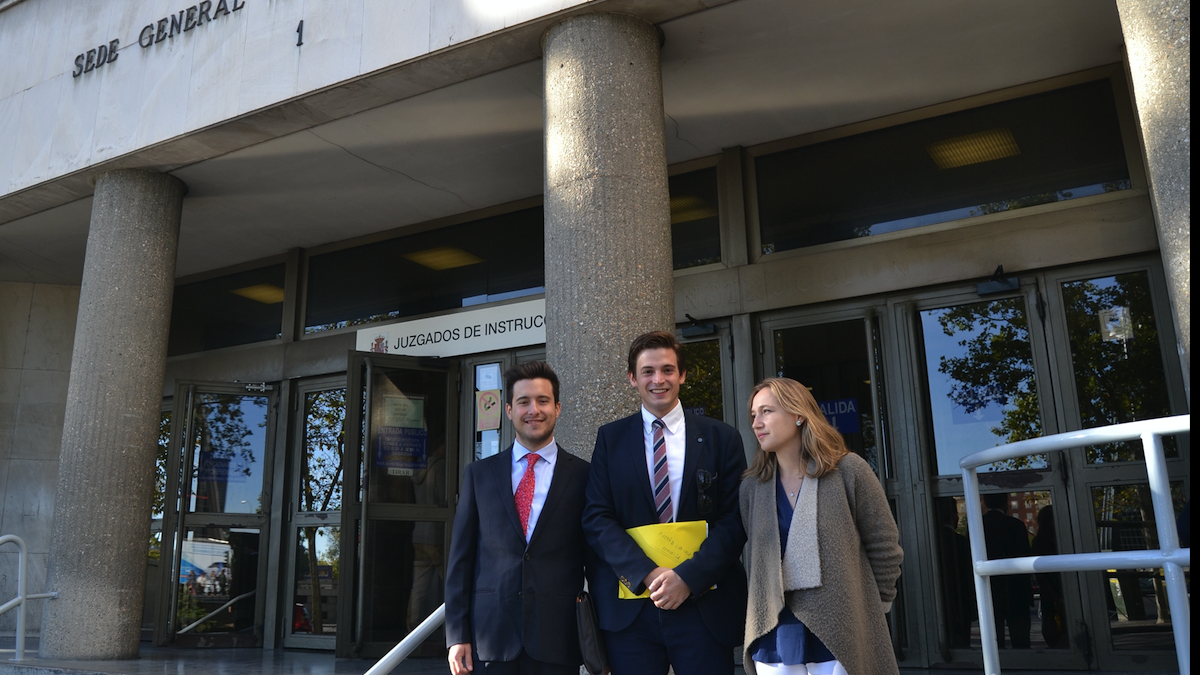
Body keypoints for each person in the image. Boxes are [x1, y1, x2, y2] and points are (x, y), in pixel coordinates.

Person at [584, 331, 748, 675]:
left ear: (682, 375)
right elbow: (597, 518)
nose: (658, 380)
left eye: (668, 370)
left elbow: (735, 520)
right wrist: (649, 573)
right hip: (632, 611)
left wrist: (688, 578)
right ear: (633, 378)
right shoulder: (610, 440)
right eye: (648, 371)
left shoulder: (722, 438)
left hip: (704, 604)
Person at [740, 377, 902, 675]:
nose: (756, 423)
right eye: (753, 415)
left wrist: (870, 609)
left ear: (798, 414)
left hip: (841, 629)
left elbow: (884, 546)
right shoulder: (753, 487)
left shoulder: (848, 470)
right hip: (774, 635)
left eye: (766, 412)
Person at [445, 361, 590, 675]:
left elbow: (596, 559)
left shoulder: (583, 475)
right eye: (523, 402)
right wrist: (457, 634)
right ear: (509, 410)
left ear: (558, 408)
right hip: (490, 639)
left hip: (557, 639)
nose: (533, 410)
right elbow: (461, 560)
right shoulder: (479, 475)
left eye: (542, 401)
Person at [981, 493, 1033, 649]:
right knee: (1021, 639)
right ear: (1006, 503)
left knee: (993, 640)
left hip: (988, 590)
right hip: (1016, 590)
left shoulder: (978, 525)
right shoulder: (1015, 524)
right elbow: (1025, 557)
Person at [1030, 504, 1066, 648]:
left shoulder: (1038, 542)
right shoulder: (1064, 540)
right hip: (1062, 588)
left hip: (1048, 592)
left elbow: (1039, 573)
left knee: (1051, 625)